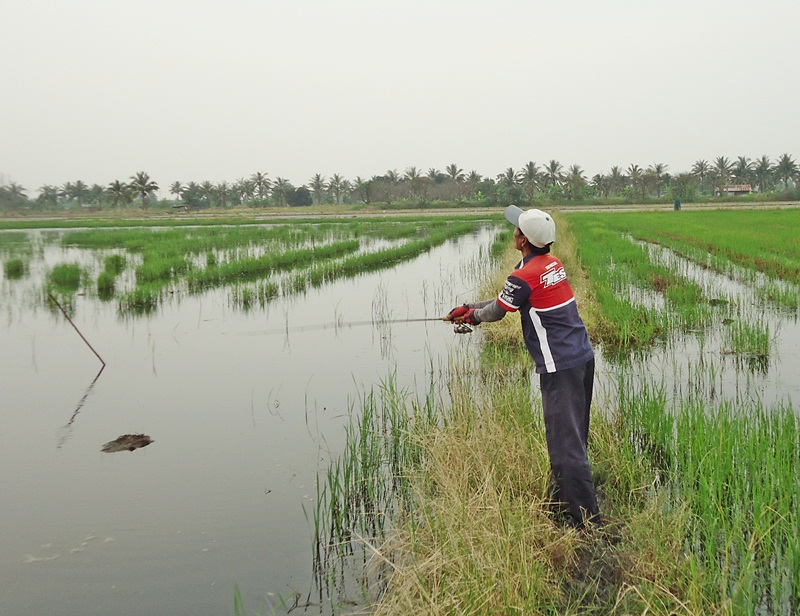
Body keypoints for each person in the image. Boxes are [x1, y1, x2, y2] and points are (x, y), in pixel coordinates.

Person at [445, 205, 601, 528]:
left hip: (560, 368)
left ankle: (587, 523)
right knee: (571, 439)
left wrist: (471, 315)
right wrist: (468, 307)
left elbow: (498, 311)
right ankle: (562, 505)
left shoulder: (524, 275)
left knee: (566, 447)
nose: (513, 232)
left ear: (523, 240)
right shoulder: (550, 264)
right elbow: (506, 298)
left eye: (517, 229)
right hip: (581, 358)